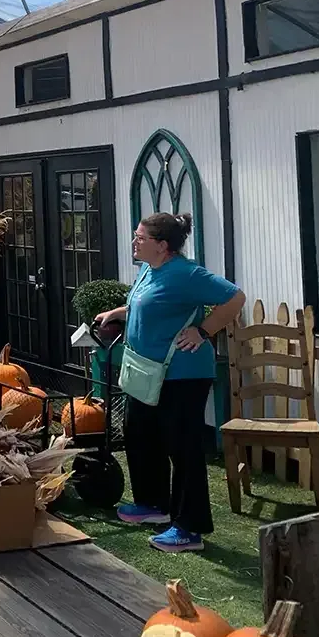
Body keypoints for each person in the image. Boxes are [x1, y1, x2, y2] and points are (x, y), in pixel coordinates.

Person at [95, 213, 245, 553]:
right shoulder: (150, 269)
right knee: (140, 434)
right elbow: (146, 303)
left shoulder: (186, 274)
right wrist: (118, 313)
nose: (135, 242)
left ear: (162, 246)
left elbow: (235, 298)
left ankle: (189, 529)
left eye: (141, 237)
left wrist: (203, 330)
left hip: (182, 376)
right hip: (145, 372)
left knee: (183, 448)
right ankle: (153, 505)